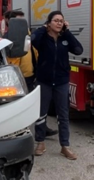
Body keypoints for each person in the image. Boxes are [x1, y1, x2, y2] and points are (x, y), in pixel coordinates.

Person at [30, 10, 83, 160]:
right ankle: (40, 142)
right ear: (49, 23)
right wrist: (43, 27)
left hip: (61, 82)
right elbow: (33, 40)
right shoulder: (42, 38)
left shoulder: (64, 39)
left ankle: (65, 146)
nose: (59, 23)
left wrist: (67, 33)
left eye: (61, 21)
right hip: (44, 81)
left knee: (63, 114)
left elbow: (79, 50)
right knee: (41, 113)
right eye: (56, 20)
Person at [3, 9, 57, 137]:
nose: (23, 25)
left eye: (24, 21)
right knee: (18, 107)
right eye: (19, 22)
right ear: (9, 22)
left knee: (37, 104)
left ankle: (42, 129)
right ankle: (17, 132)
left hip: (32, 76)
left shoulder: (29, 36)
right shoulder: (7, 39)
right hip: (17, 78)